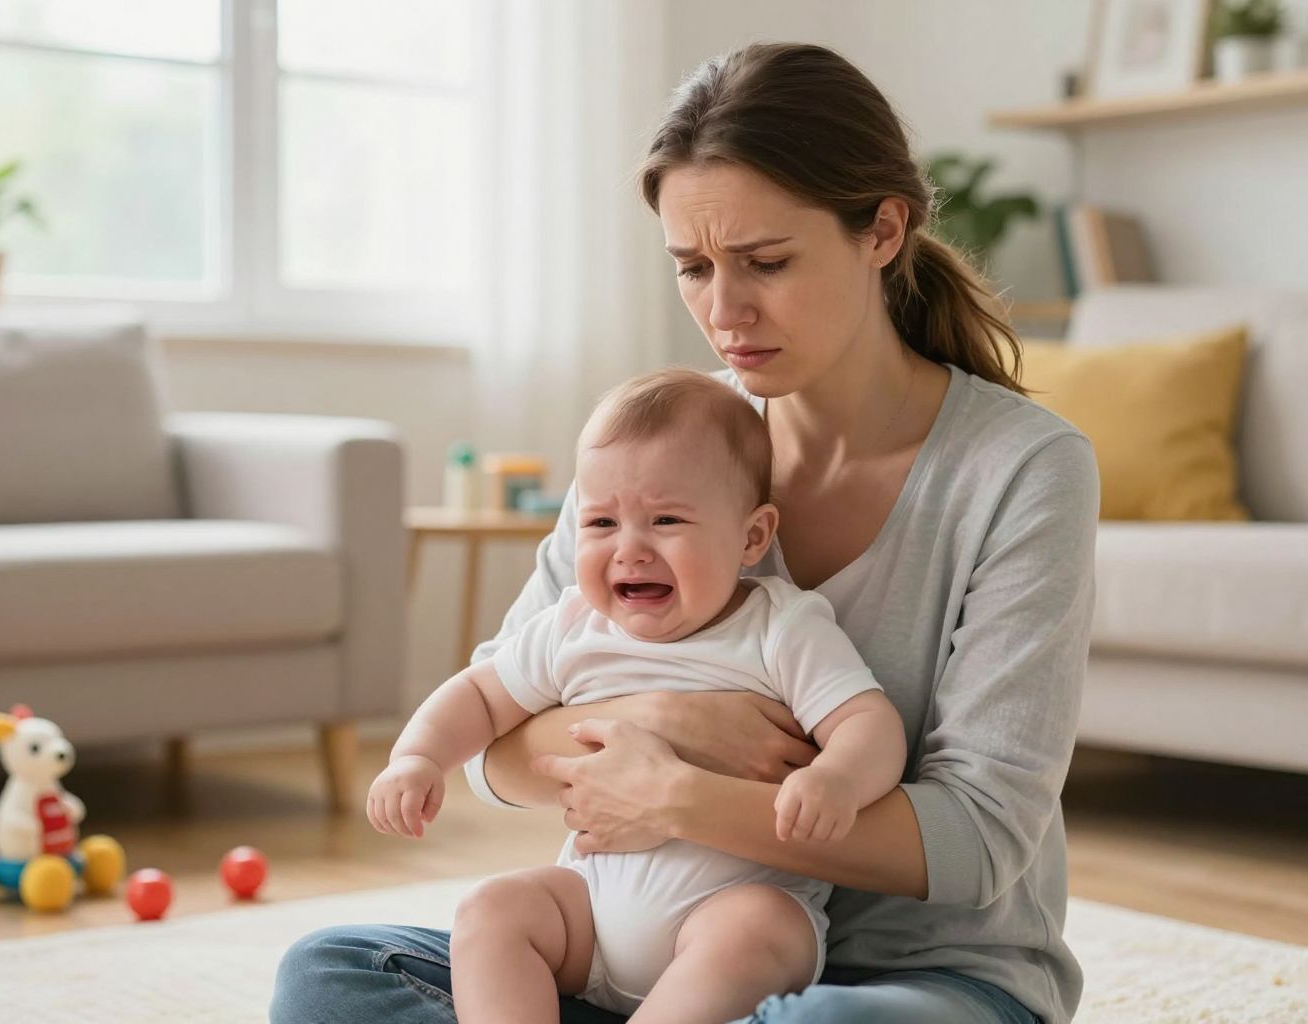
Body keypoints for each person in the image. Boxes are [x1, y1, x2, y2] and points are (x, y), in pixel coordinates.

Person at [272, 40, 1098, 1024]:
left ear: (883, 229)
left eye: (766, 262)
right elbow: (496, 755)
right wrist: (653, 727)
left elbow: (980, 841)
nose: (724, 311)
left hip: (916, 983)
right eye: (693, 267)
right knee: (333, 970)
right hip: (650, 972)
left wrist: (682, 796)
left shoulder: (1019, 469)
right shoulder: (669, 444)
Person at [365, 368, 907, 1023]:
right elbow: (479, 696)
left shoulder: (780, 627)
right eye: (600, 522)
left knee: (757, 931)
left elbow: (866, 721)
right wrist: (417, 758)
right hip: (590, 914)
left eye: (666, 519)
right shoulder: (571, 626)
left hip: (729, 906)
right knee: (488, 912)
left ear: (751, 537)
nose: (630, 550)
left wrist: (838, 780)